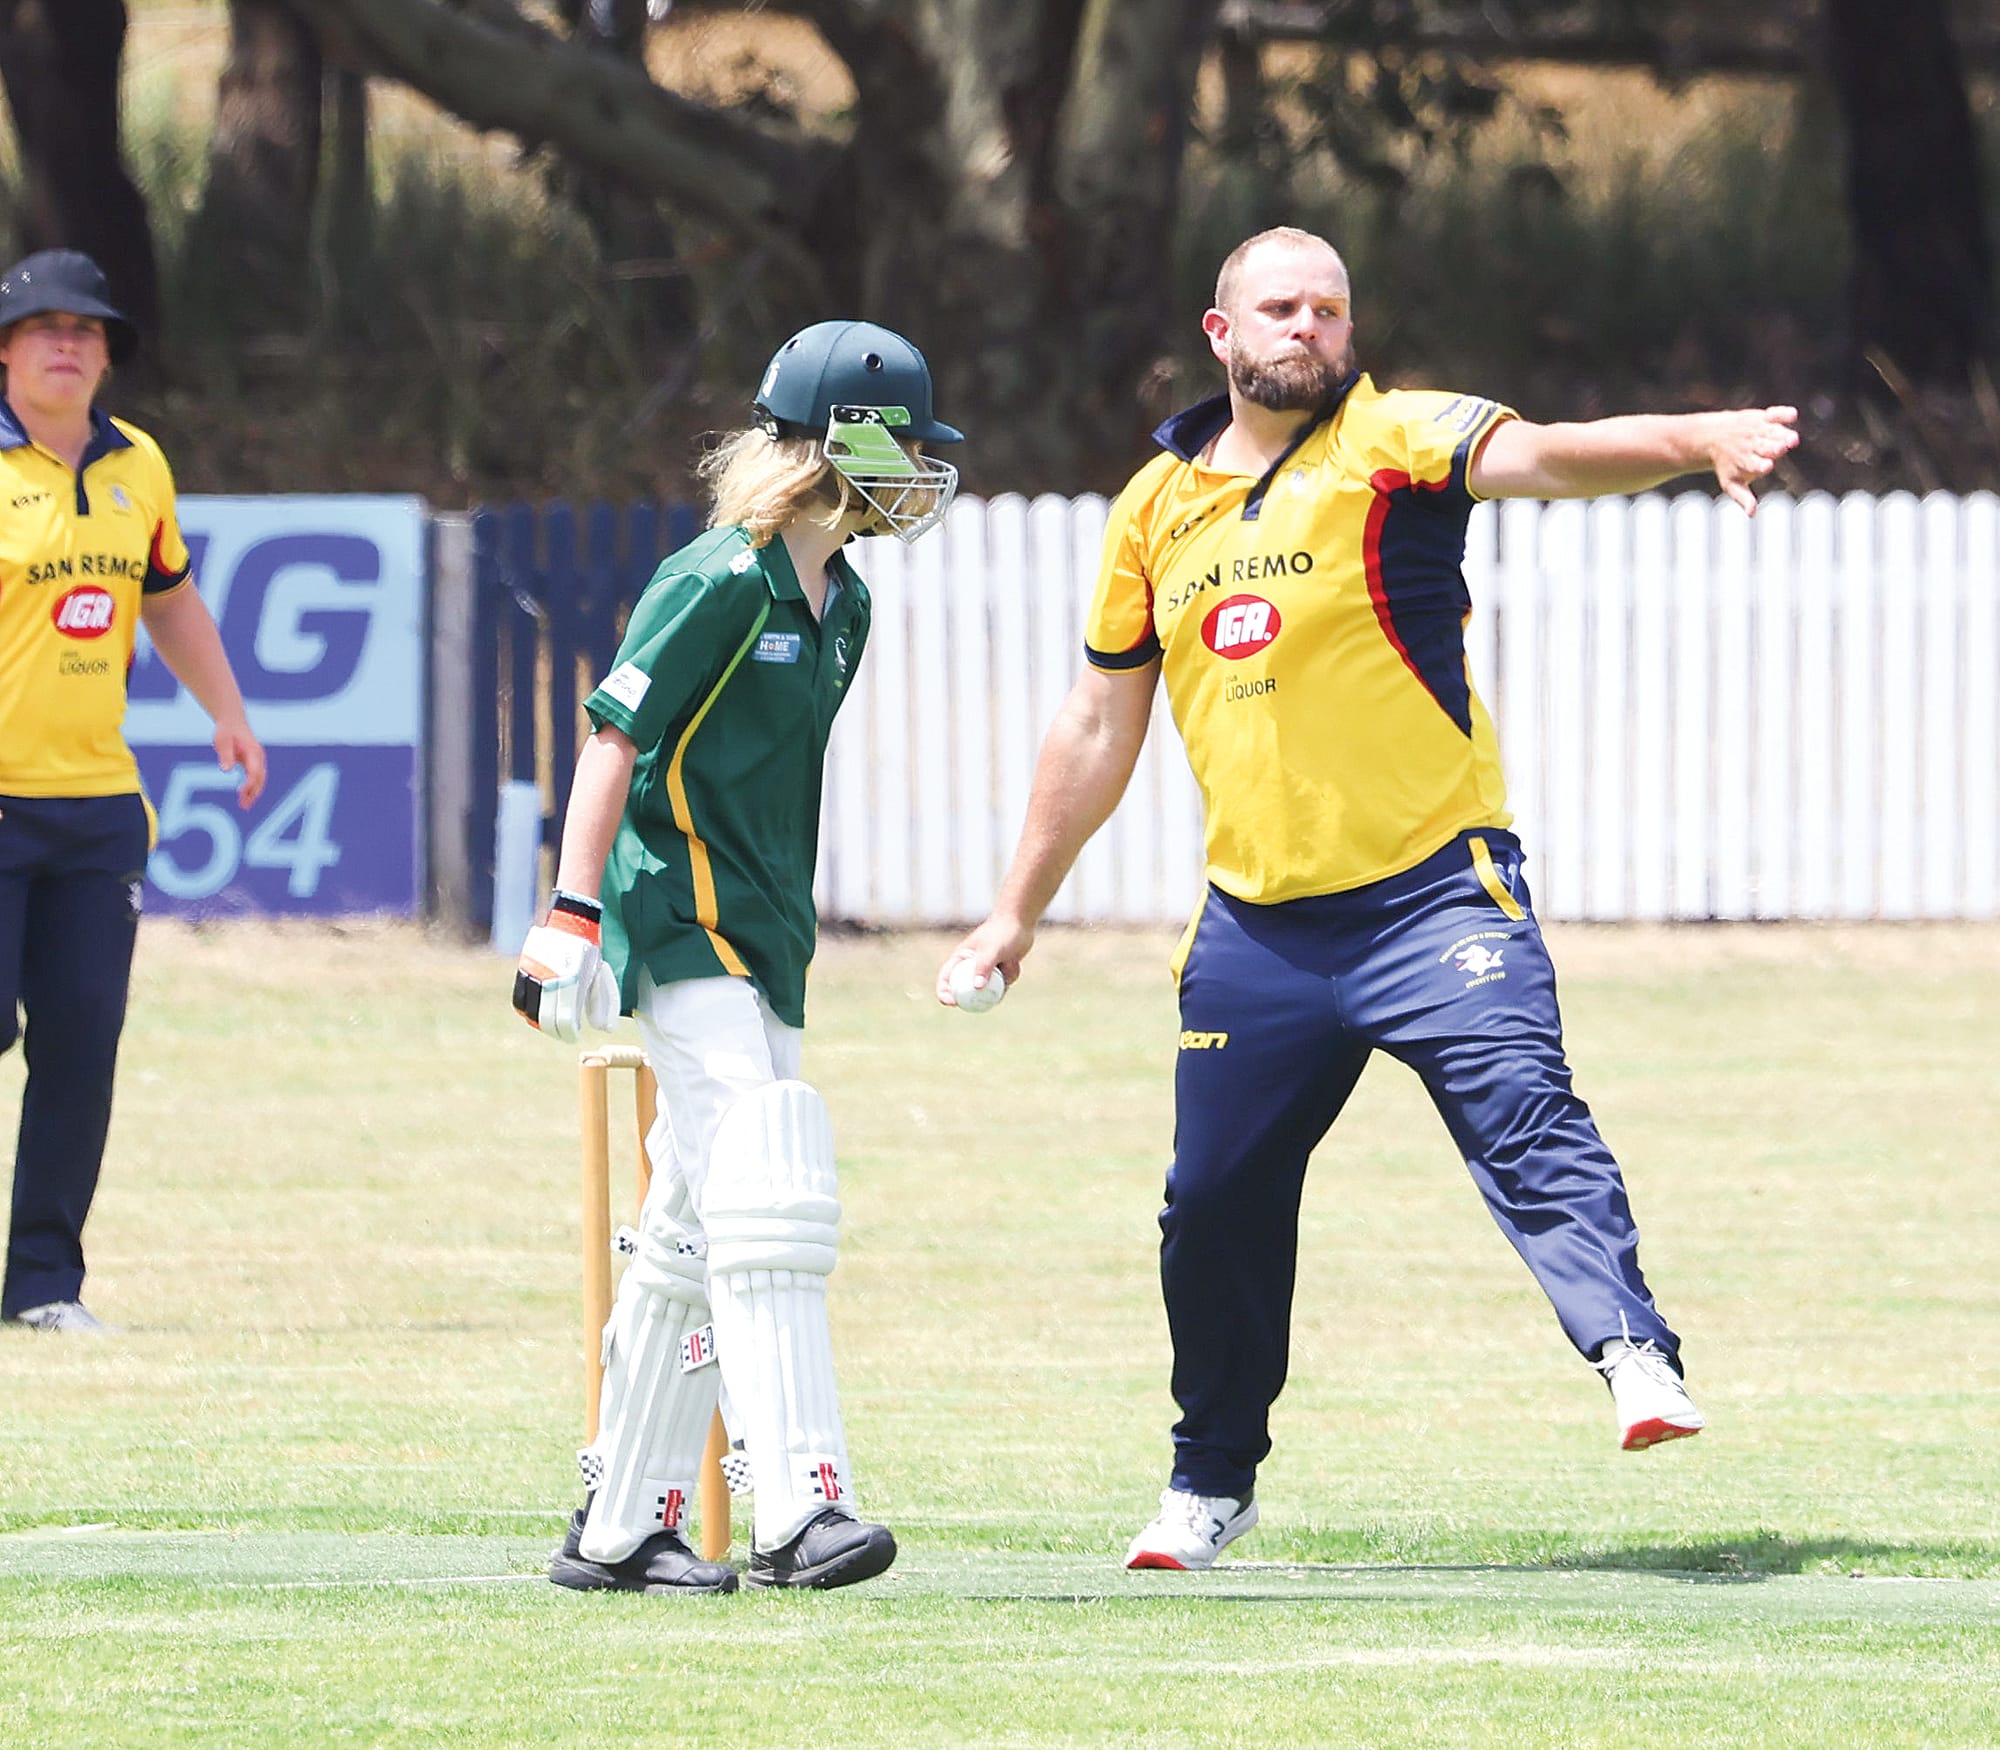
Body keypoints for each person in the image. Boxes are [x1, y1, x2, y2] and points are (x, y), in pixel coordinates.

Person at [938, 226, 1800, 1571]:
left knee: (1524, 1113)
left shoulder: (1393, 442)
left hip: (1434, 897)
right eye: (1280, 308)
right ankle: (1210, 1483)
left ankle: (1632, 1352)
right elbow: (1098, 727)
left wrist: (1694, 436)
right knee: (1210, 1204)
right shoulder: (1154, 507)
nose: (1310, 328)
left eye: (1330, 309)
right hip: (1257, 931)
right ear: (1222, 335)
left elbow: (1552, 455)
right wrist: (1014, 912)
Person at [513, 320, 962, 1593]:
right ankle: (798, 1505)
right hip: (679, 911)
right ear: (842, 441)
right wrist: (571, 910)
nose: (924, 466)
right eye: (907, 440)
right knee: (769, 1184)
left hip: (767, 930)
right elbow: (614, 736)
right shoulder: (718, 576)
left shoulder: (845, 602)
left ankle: (618, 1526)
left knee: (692, 1224)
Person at [0, 250, 267, 1334]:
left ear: (108, 354)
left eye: (89, 329)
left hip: (98, 810)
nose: (68, 343)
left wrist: (229, 709)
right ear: (7, 348)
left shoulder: (138, 466)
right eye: (45, 326)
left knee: (79, 1042)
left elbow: (168, 601)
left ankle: (43, 1284)